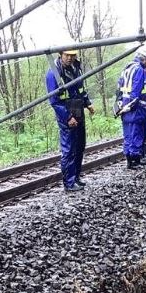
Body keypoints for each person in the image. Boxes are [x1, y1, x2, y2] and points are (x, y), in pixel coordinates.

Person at [45, 48, 94, 192]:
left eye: (73, 55)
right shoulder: (53, 74)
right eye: (67, 55)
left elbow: (80, 89)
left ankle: (76, 177)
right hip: (66, 113)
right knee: (69, 149)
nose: (70, 58)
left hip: (78, 109)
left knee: (80, 146)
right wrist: (68, 117)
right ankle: (69, 182)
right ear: (61, 55)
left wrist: (87, 103)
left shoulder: (75, 68)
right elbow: (54, 101)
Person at [115, 47, 146, 169]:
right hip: (136, 107)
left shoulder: (127, 68)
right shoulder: (139, 70)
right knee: (136, 133)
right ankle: (134, 160)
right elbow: (136, 90)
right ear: (144, 59)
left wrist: (120, 105)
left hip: (124, 105)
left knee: (127, 134)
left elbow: (119, 87)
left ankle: (128, 159)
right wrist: (132, 105)